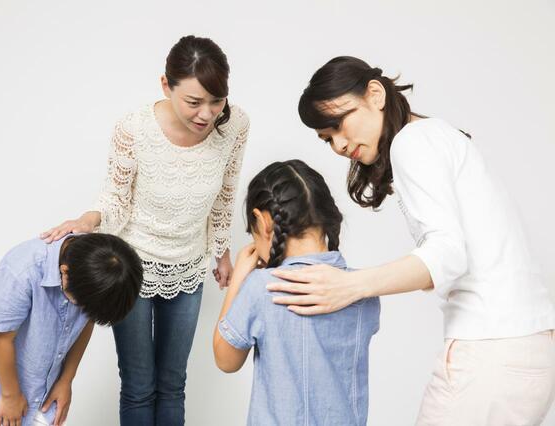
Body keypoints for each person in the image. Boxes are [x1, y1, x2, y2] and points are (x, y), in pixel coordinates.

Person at [266, 56, 555, 425]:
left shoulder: (412, 142)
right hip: (523, 348)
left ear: (375, 94)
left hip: (491, 350)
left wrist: (348, 285)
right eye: (327, 139)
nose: (338, 144)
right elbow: (456, 255)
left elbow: (448, 255)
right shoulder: (437, 134)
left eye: (338, 124)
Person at [40, 35, 249, 425]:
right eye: (194, 102)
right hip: (131, 269)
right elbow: (115, 198)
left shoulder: (234, 125)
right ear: (166, 86)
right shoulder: (134, 128)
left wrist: (221, 251)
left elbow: (225, 193)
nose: (206, 114)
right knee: (138, 385)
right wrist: (88, 220)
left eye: (216, 101)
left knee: (173, 383)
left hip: (188, 266)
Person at [213, 159, 379, 425]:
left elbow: (226, 360)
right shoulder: (363, 290)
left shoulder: (263, 287)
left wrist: (239, 280)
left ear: (263, 221)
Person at [0, 233, 143, 426]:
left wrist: (66, 380)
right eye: (81, 305)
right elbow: (1, 340)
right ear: (65, 272)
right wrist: (10, 395)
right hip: (1, 390)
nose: (83, 312)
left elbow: (87, 322)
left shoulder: (94, 279)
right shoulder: (23, 270)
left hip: (46, 392)